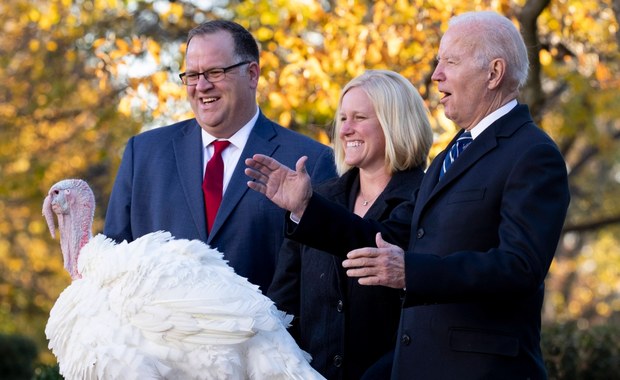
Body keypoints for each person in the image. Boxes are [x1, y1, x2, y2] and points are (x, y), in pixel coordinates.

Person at [246, 11, 570, 379]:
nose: (436, 75)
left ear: (493, 73)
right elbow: (391, 237)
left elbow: (520, 267)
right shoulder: (453, 153)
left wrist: (410, 271)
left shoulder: (532, 153)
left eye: (450, 61)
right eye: (437, 62)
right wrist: (307, 208)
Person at [103, 20, 336, 291]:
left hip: (266, 332)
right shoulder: (142, 153)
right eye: (192, 75)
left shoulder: (310, 161)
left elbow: (321, 282)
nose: (201, 86)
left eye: (215, 72)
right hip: (159, 333)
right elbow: (112, 265)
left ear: (252, 74)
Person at [266, 70, 433, 380]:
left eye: (359, 118)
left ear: (394, 122)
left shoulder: (427, 198)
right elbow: (284, 305)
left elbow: (379, 240)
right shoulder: (320, 197)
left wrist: (306, 208)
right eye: (342, 119)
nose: (345, 130)